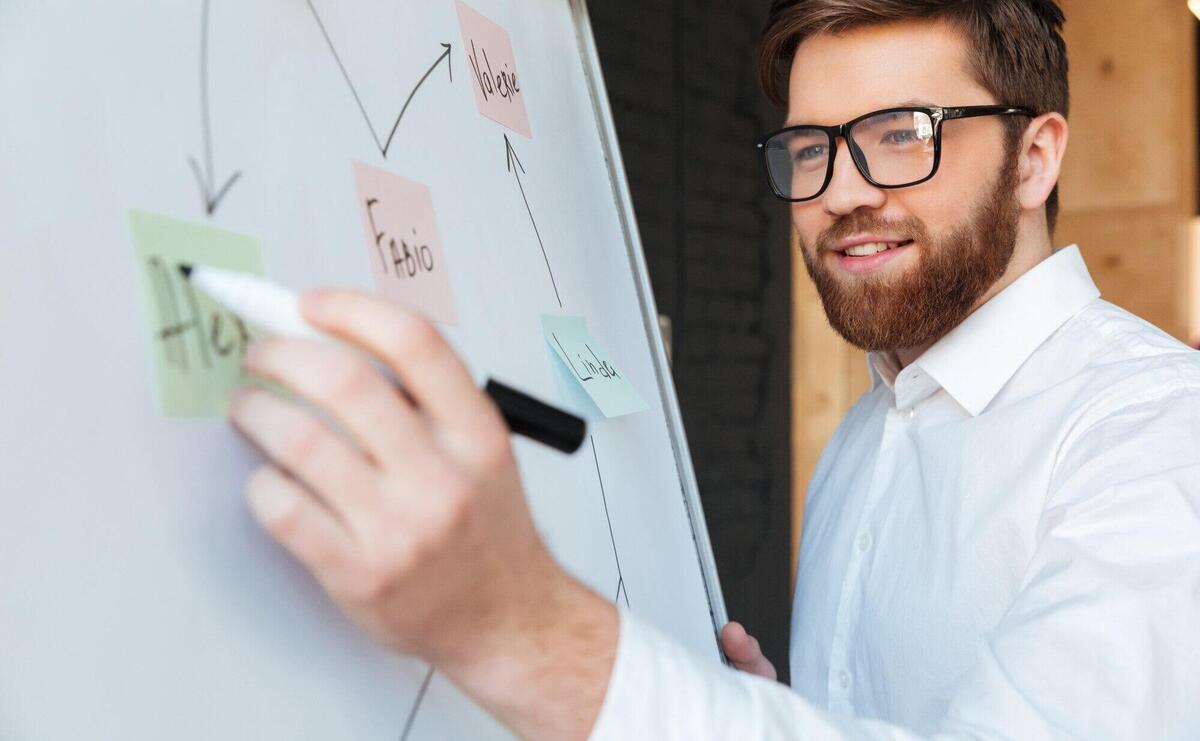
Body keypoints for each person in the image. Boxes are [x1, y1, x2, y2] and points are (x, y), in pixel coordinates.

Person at [228, 0, 1200, 738]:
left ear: (1035, 159)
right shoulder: (869, 434)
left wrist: (516, 628)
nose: (843, 192)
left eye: (902, 134)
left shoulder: (1161, 443)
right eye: (811, 147)